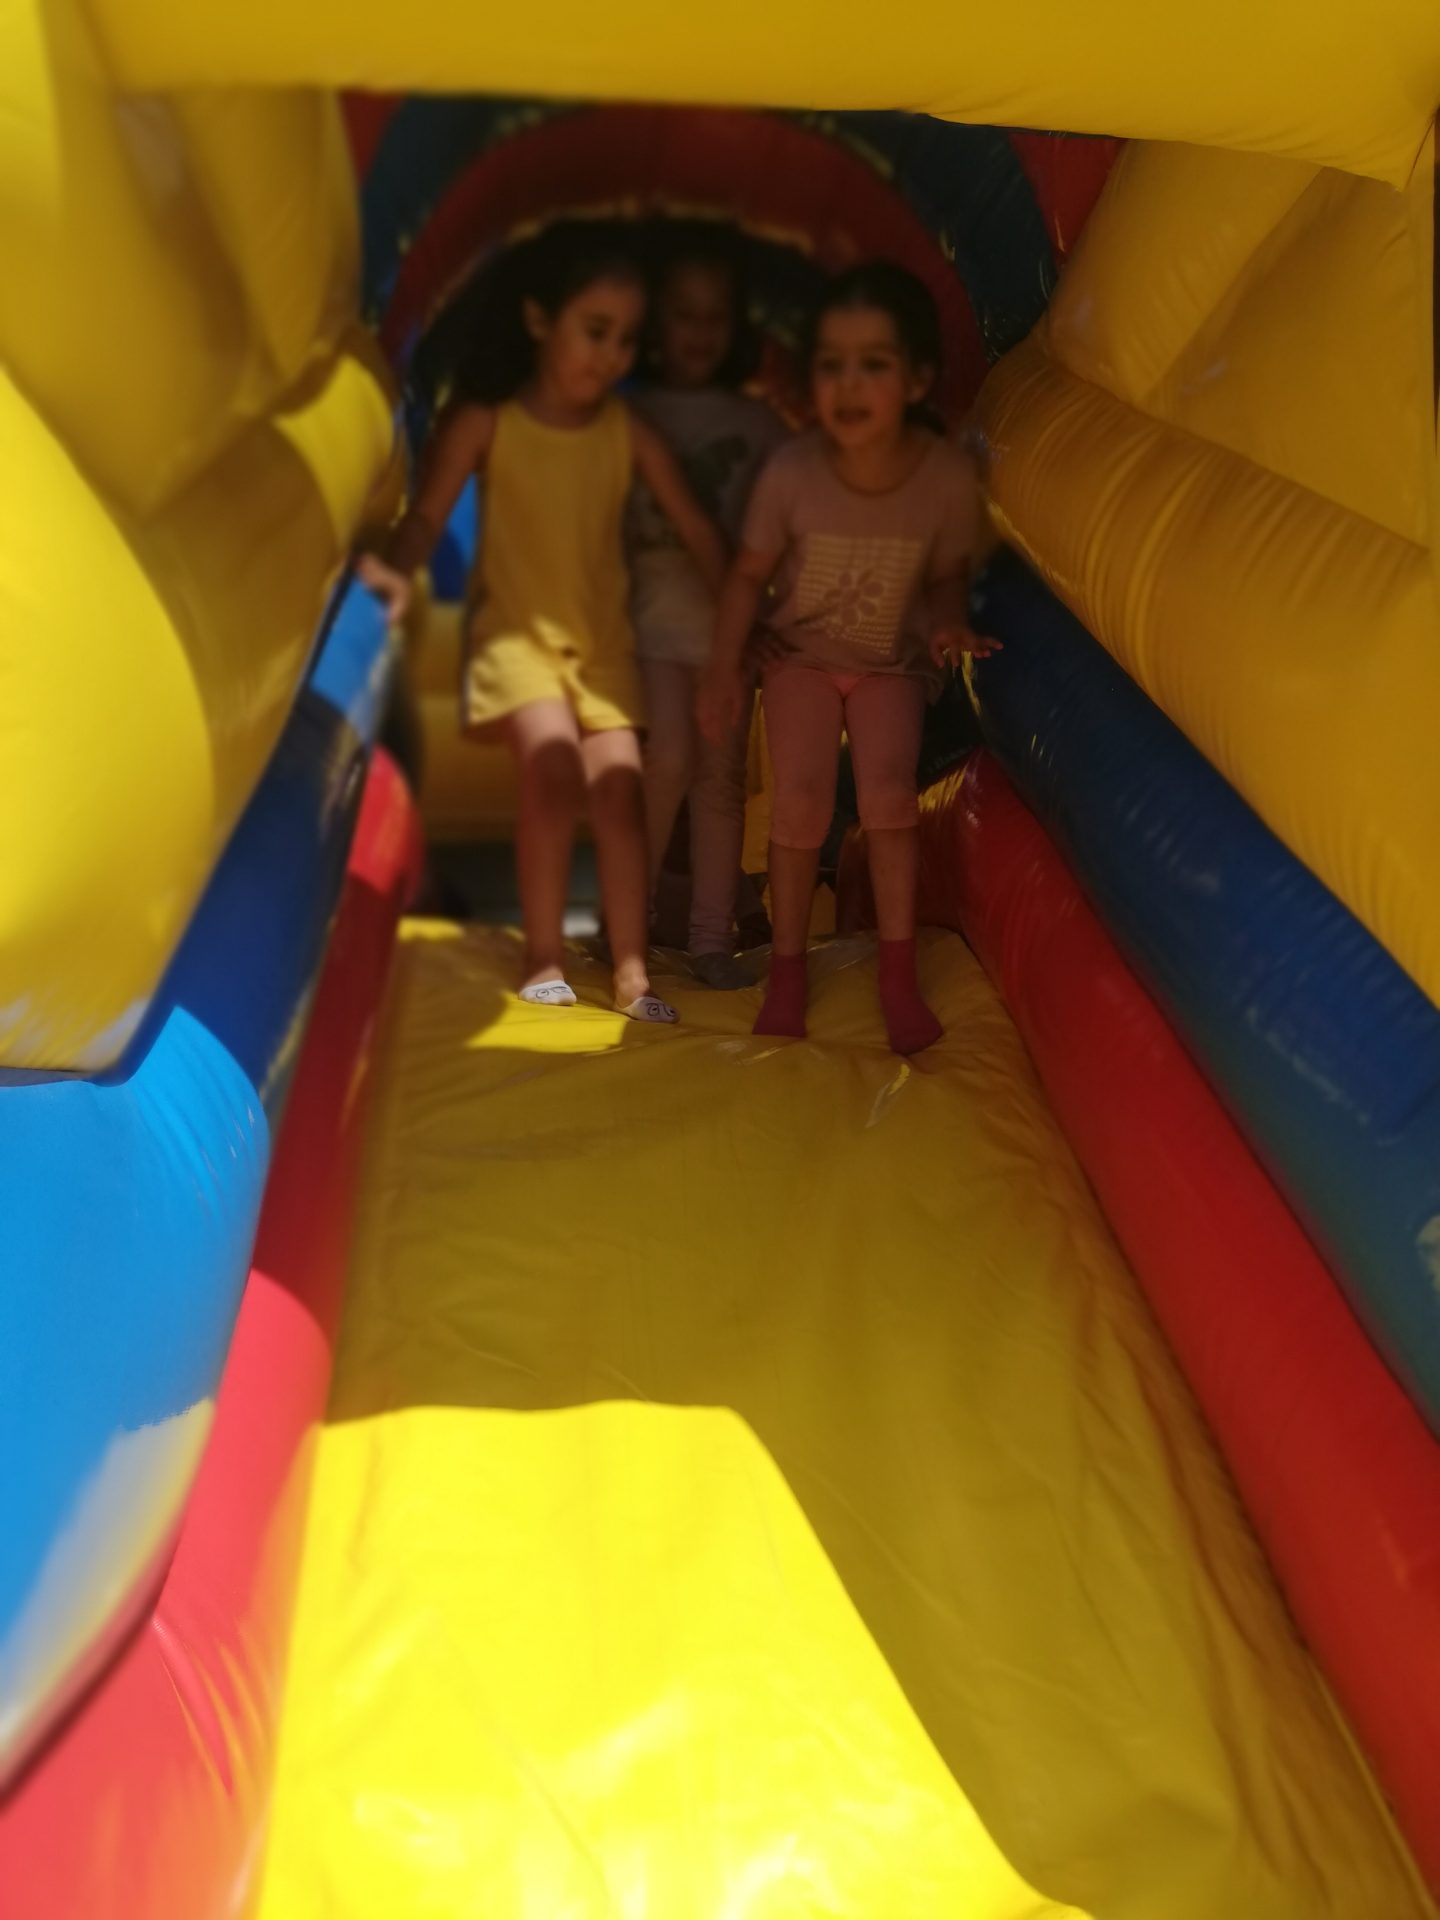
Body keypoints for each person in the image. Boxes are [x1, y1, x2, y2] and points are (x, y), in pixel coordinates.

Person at [359, 223, 727, 1024]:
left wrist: (743, 608)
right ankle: (543, 957)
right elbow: (425, 518)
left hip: (602, 647)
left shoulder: (624, 431)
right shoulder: (489, 422)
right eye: (595, 331)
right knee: (554, 770)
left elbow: (696, 527)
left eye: (626, 339)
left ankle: (632, 974)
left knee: (622, 791)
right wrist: (394, 568)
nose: (612, 356)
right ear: (538, 321)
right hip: (517, 639)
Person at [699, 262, 999, 1053]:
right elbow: (749, 575)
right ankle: (788, 970)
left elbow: (945, 574)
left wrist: (948, 625)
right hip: (801, 655)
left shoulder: (940, 476)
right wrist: (728, 665)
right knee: (799, 804)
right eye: (832, 366)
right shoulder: (794, 474)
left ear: (917, 380)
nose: (849, 385)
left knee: (890, 798)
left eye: (873, 364)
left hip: (889, 659)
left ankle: (897, 975)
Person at [625, 228, 787, 988]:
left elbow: (792, 522)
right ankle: (628, 925)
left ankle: (710, 941)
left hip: (727, 632)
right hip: (651, 629)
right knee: (666, 760)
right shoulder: (633, 416)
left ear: (736, 326)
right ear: (657, 326)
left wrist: (772, 619)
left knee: (719, 781)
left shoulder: (757, 427)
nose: (698, 331)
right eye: (683, 315)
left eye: (714, 316)